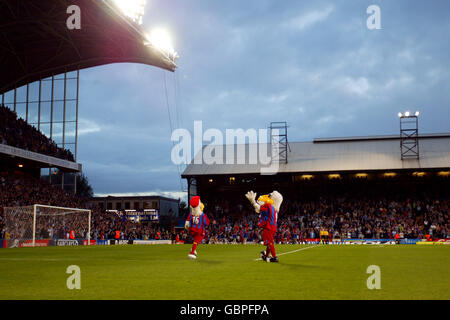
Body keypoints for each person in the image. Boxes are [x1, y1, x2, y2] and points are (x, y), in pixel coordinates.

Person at [245, 190, 283, 263]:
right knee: (269, 242)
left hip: (268, 227)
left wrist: (253, 202)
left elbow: (259, 209)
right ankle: (266, 256)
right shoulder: (275, 209)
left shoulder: (269, 206)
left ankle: (274, 257)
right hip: (273, 227)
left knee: (270, 242)